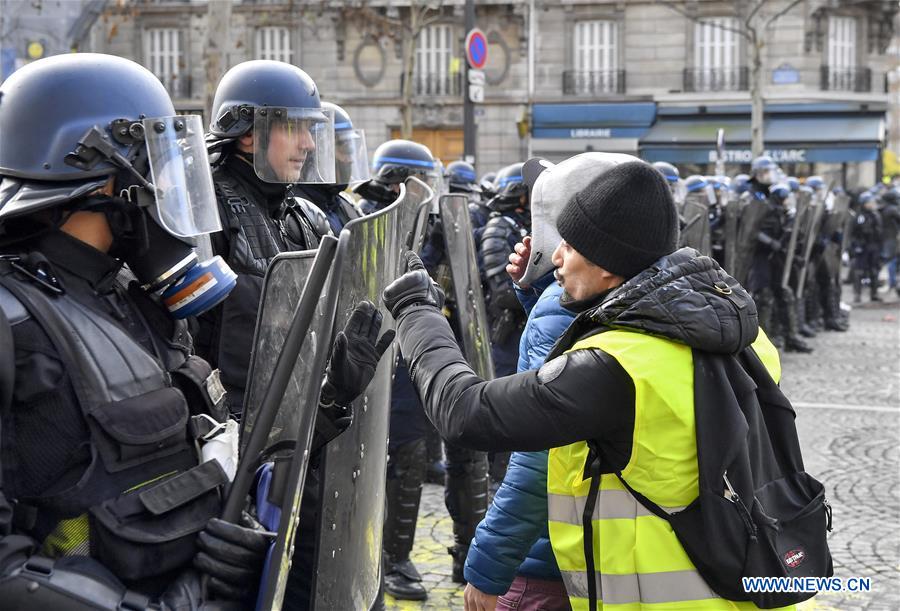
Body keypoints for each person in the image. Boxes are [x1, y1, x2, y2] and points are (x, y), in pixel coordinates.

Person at [382, 156, 790, 611]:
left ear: (609, 268)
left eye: (571, 247)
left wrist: (418, 312)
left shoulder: (615, 366)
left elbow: (466, 413)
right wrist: (549, 298)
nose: (554, 255)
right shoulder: (738, 331)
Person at [0, 52, 268, 610]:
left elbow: (189, 451)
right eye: (160, 166)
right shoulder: (11, 319)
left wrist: (233, 542)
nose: (173, 187)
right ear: (107, 184)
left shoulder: (129, 300)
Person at [200, 59, 338, 416]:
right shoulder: (207, 212)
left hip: (291, 425)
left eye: (311, 129)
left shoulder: (302, 215)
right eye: (294, 127)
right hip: (229, 436)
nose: (308, 143)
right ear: (248, 133)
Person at [292, 101, 366, 234]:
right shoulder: (294, 208)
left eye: (351, 150)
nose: (349, 160)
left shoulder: (345, 204)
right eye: (344, 149)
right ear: (313, 154)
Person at [848, 190, 883, 303]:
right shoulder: (859, 216)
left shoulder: (875, 215)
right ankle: (857, 294)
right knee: (859, 272)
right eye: (869, 202)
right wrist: (855, 246)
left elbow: (879, 232)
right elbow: (853, 233)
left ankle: (874, 293)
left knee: (874, 271)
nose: (872, 204)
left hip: (874, 246)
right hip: (862, 247)